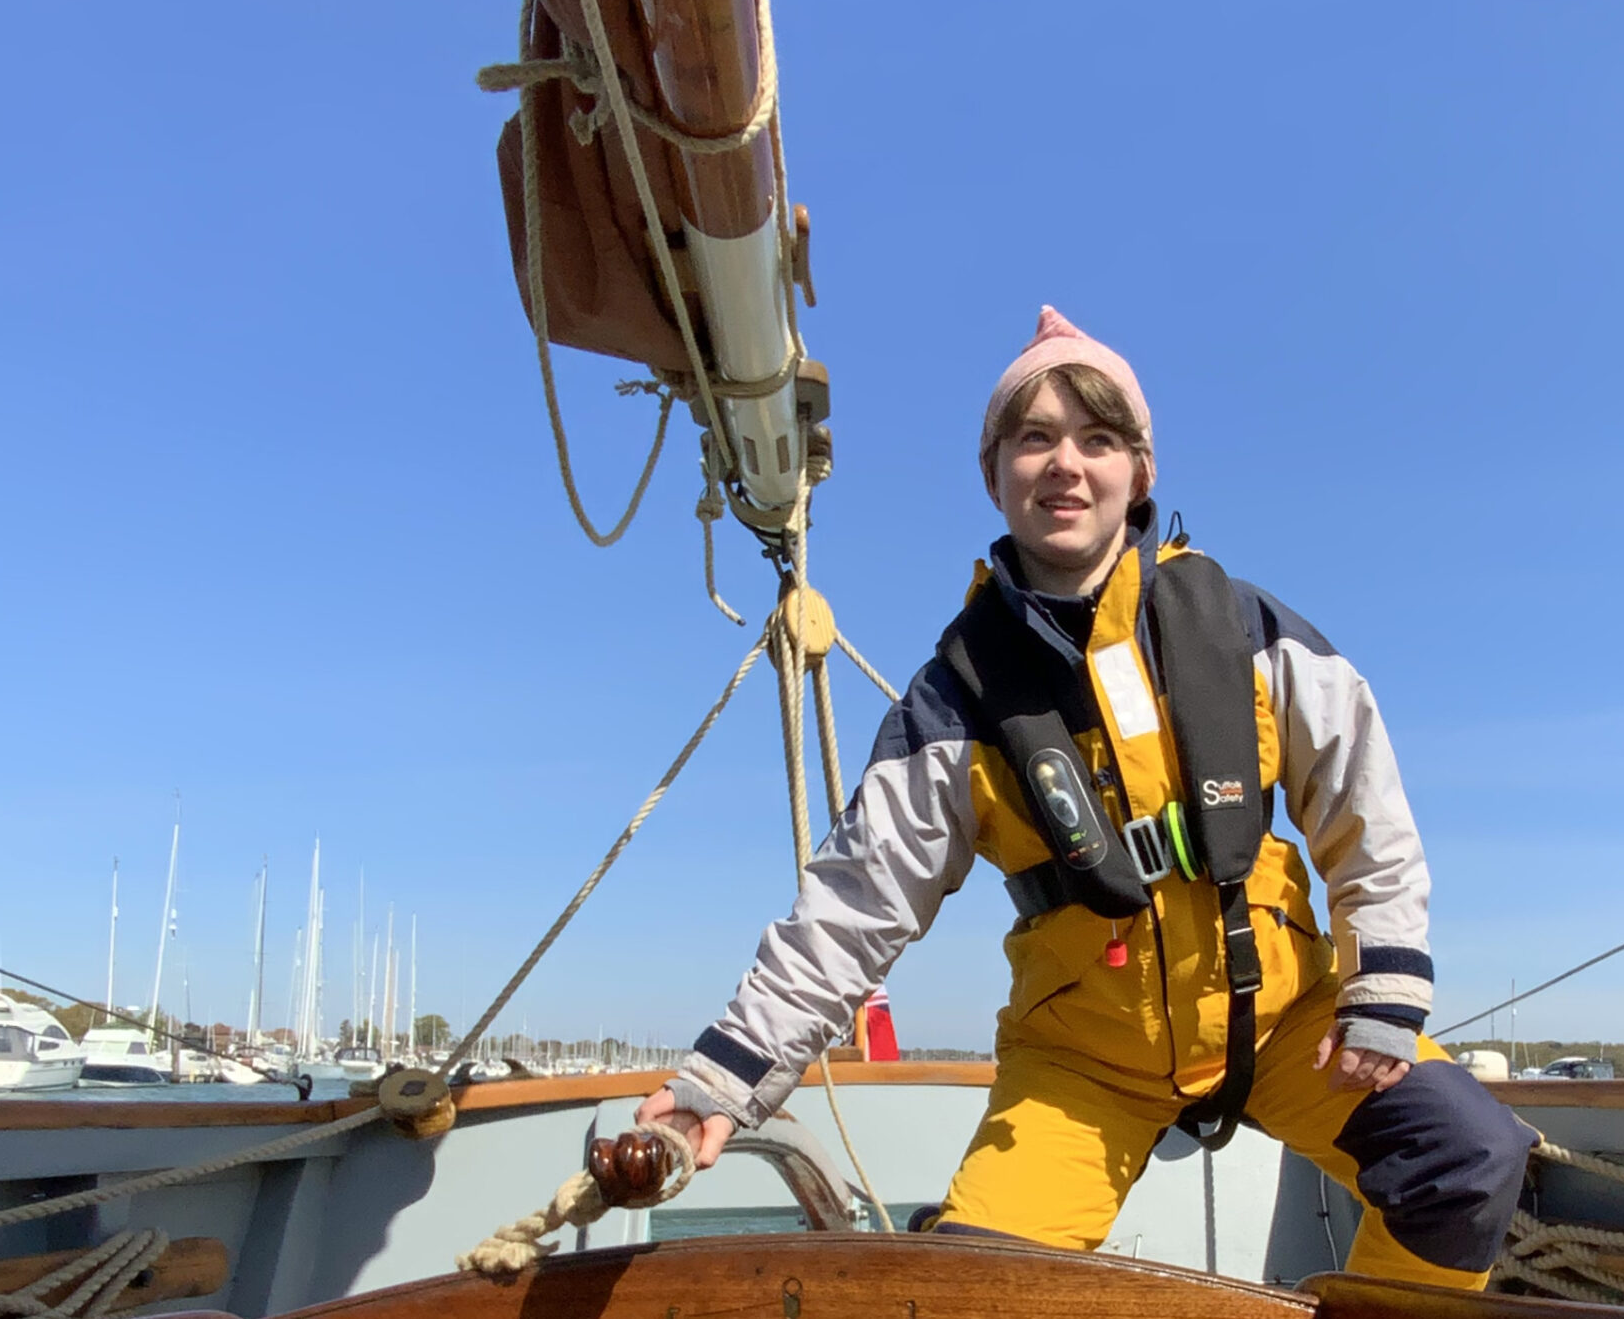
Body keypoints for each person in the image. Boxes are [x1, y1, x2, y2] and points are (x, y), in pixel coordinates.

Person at [639, 307, 1534, 1287]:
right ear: (994, 475)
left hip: (1285, 1019)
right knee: (971, 1290)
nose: (1065, 462)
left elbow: (1365, 813)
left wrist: (1382, 992)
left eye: (1097, 438)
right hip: (1080, 1063)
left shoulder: (1242, 628)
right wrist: (719, 1082)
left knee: (1465, 1157)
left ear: (1138, 473)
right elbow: (851, 912)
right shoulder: (955, 698)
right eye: (1033, 439)